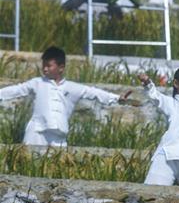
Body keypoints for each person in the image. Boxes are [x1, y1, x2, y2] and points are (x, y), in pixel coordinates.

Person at [0, 47, 130, 146]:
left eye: (49, 66)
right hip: (36, 133)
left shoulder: (72, 87)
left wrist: (117, 98)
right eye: (43, 65)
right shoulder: (37, 83)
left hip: (59, 135)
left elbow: (94, 93)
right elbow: (17, 90)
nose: (45, 69)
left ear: (61, 67)